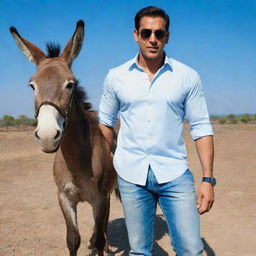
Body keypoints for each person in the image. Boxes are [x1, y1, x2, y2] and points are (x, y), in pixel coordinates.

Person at [98, 6, 215, 256]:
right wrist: (105, 164)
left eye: (159, 33)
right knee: (139, 250)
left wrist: (207, 179)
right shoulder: (115, 77)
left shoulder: (187, 77)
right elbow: (105, 123)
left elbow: (201, 127)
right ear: (135, 35)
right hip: (131, 176)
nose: (153, 39)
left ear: (167, 36)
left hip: (174, 172)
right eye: (146, 32)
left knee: (191, 248)